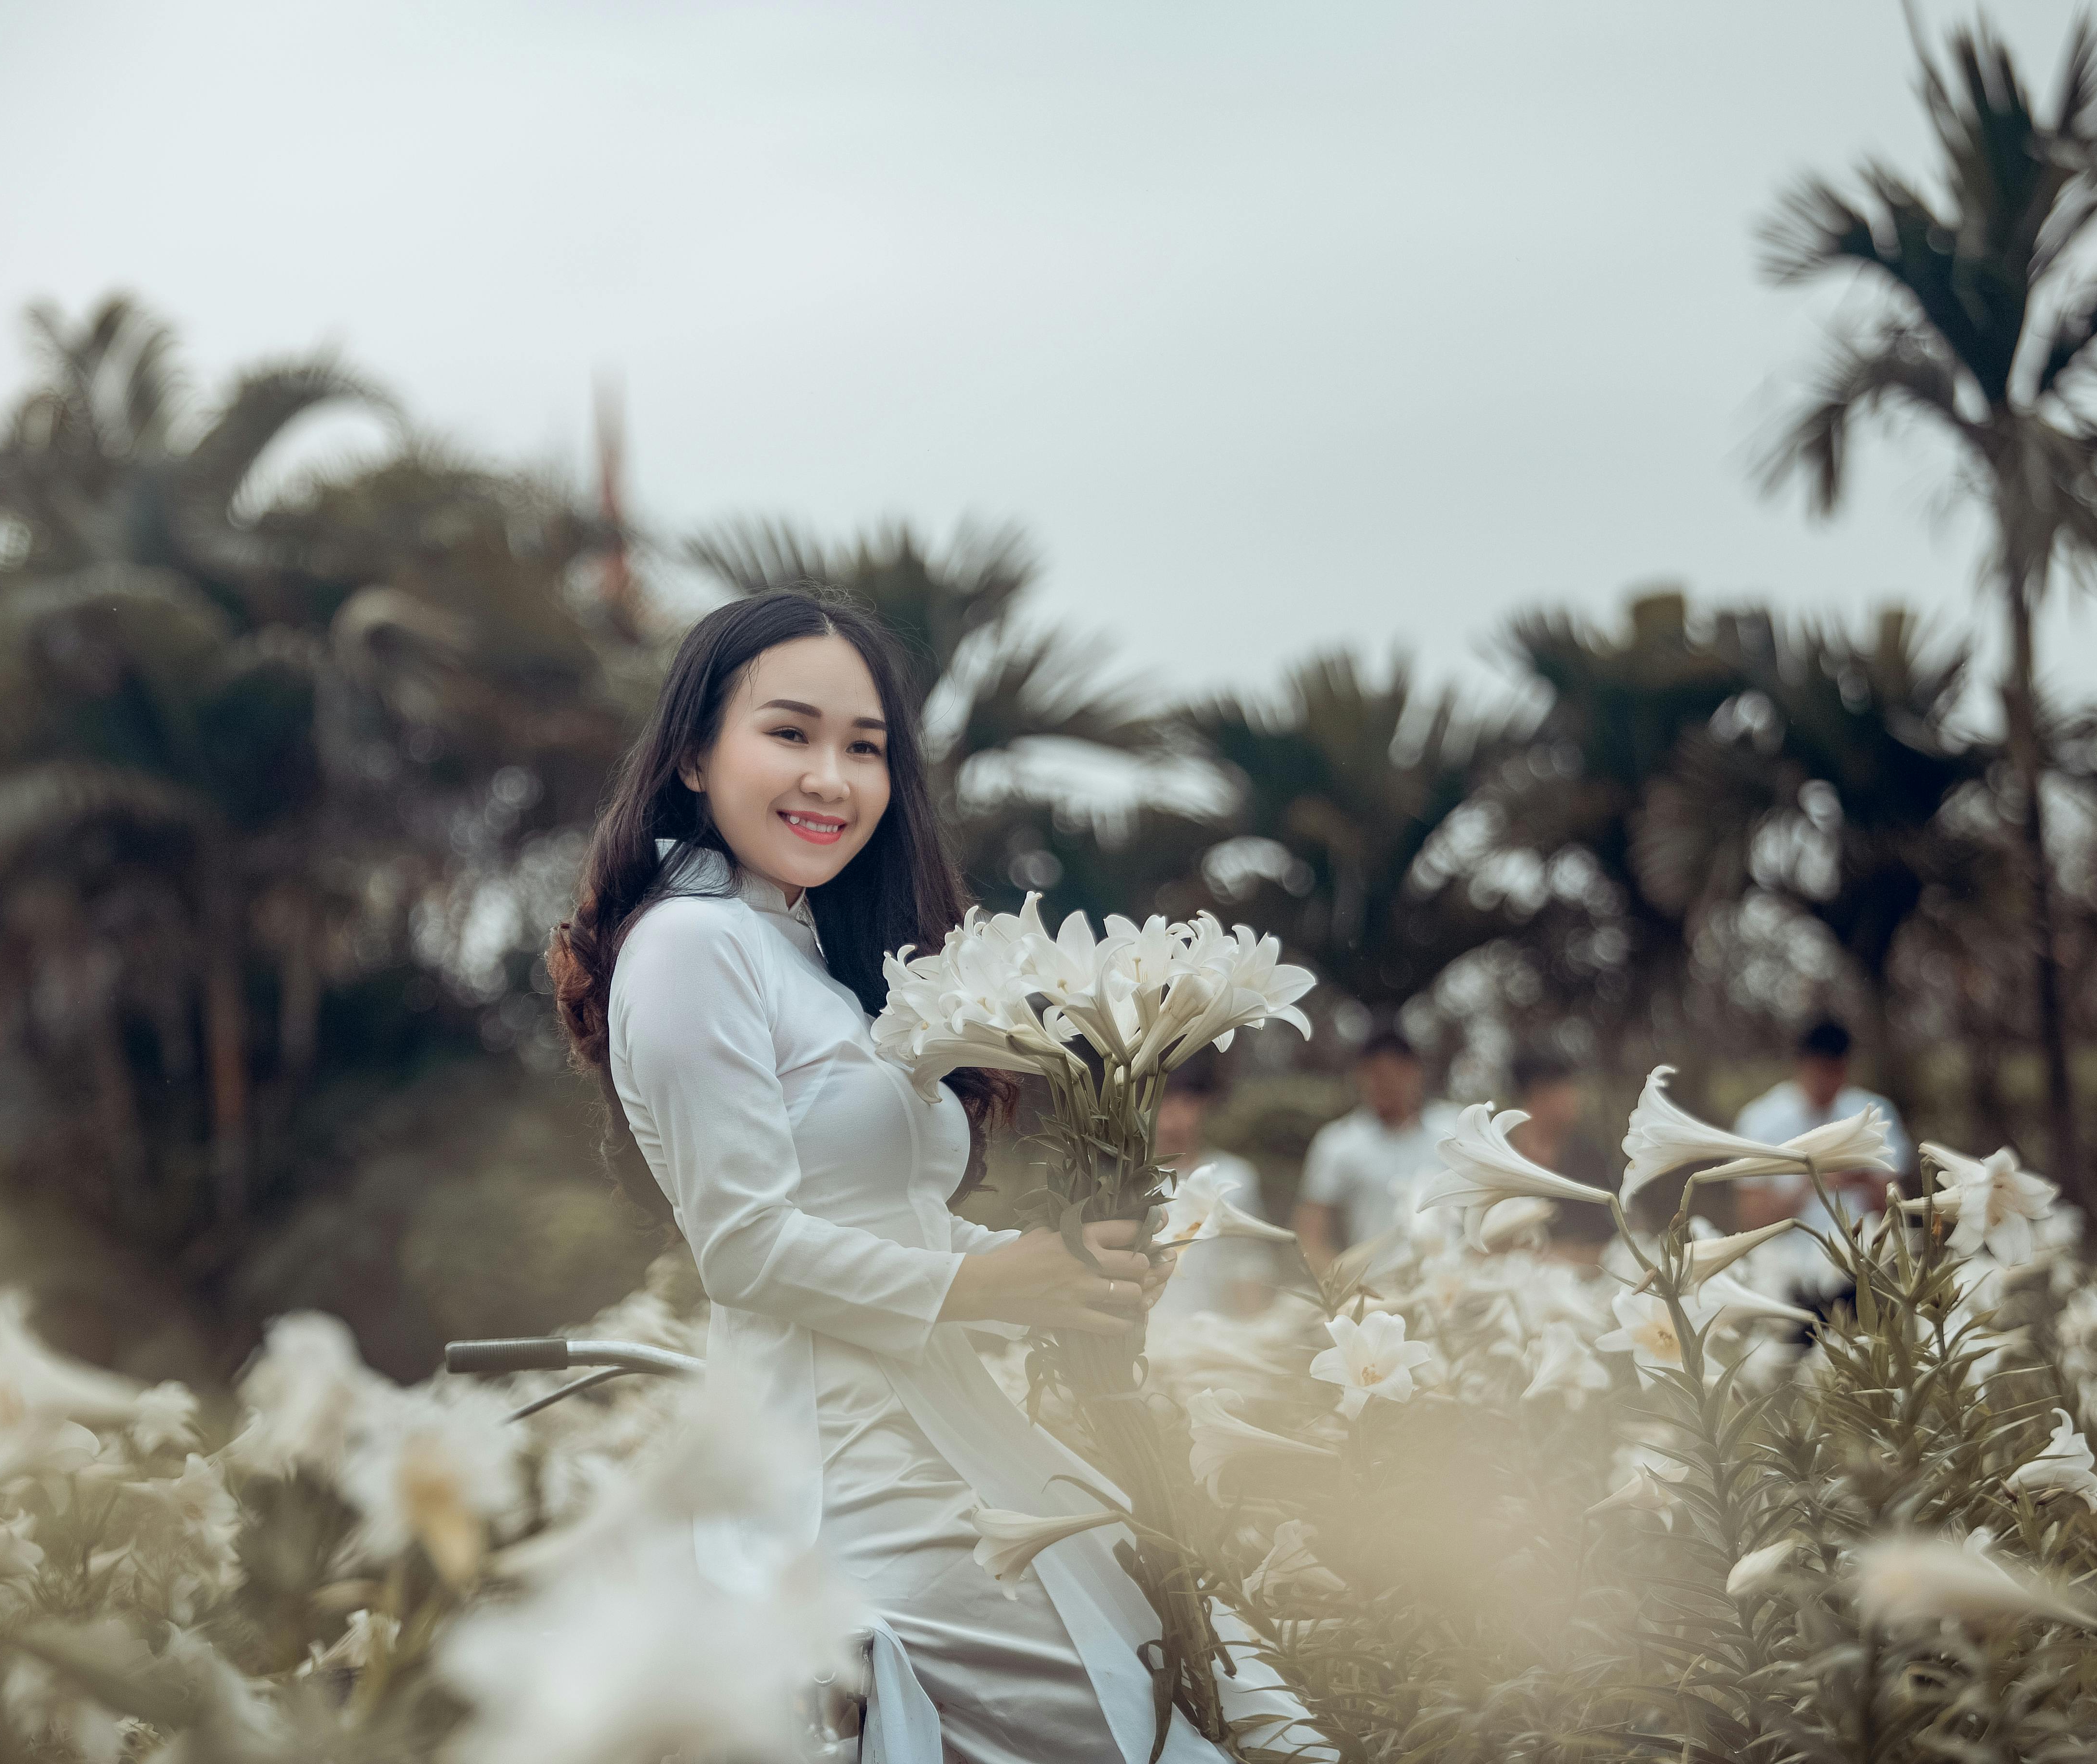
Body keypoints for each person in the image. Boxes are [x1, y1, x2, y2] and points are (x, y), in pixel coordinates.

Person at [546, 588, 1325, 1764]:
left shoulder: (807, 954)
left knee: (1236, 1696)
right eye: (789, 734)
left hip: (947, 1424)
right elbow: (744, 1247)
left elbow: (883, 1216)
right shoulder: (691, 943)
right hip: (847, 1467)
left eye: (865, 749)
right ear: (694, 755)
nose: (832, 779)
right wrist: (992, 1285)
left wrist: (1062, 1271)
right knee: (1156, 1732)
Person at [1728, 1019, 1909, 1238]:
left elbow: (1898, 1210)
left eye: (1835, 1071)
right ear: (1801, 1065)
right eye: (1820, 1070)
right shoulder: (1760, 1119)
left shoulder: (1874, 1113)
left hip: (1861, 1255)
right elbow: (1752, 1219)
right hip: (1783, 1263)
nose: (1827, 1082)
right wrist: (1813, 1181)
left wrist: (1862, 1177)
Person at [1294, 1029, 1447, 1269]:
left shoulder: (1452, 1131)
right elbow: (1310, 1232)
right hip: (1378, 1292)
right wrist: (1343, 1286)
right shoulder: (1338, 1142)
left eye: (1390, 1075)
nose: (1382, 1085)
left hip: (1453, 1286)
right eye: (1372, 1075)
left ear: (1414, 1073)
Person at [1152, 1056, 1279, 1319]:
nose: (1173, 1113)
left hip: (1213, 1335)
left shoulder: (1235, 1177)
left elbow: (1249, 1267)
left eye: (1186, 1102)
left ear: (1205, 1106)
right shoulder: (1127, 1184)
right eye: (1164, 1101)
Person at [1503, 1049, 1618, 1260]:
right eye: (1566, 1089)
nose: (1575, 1099)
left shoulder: (1589, 1157)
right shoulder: (1501, 1155)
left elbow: (1610, 1243)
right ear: (1538, 1095)